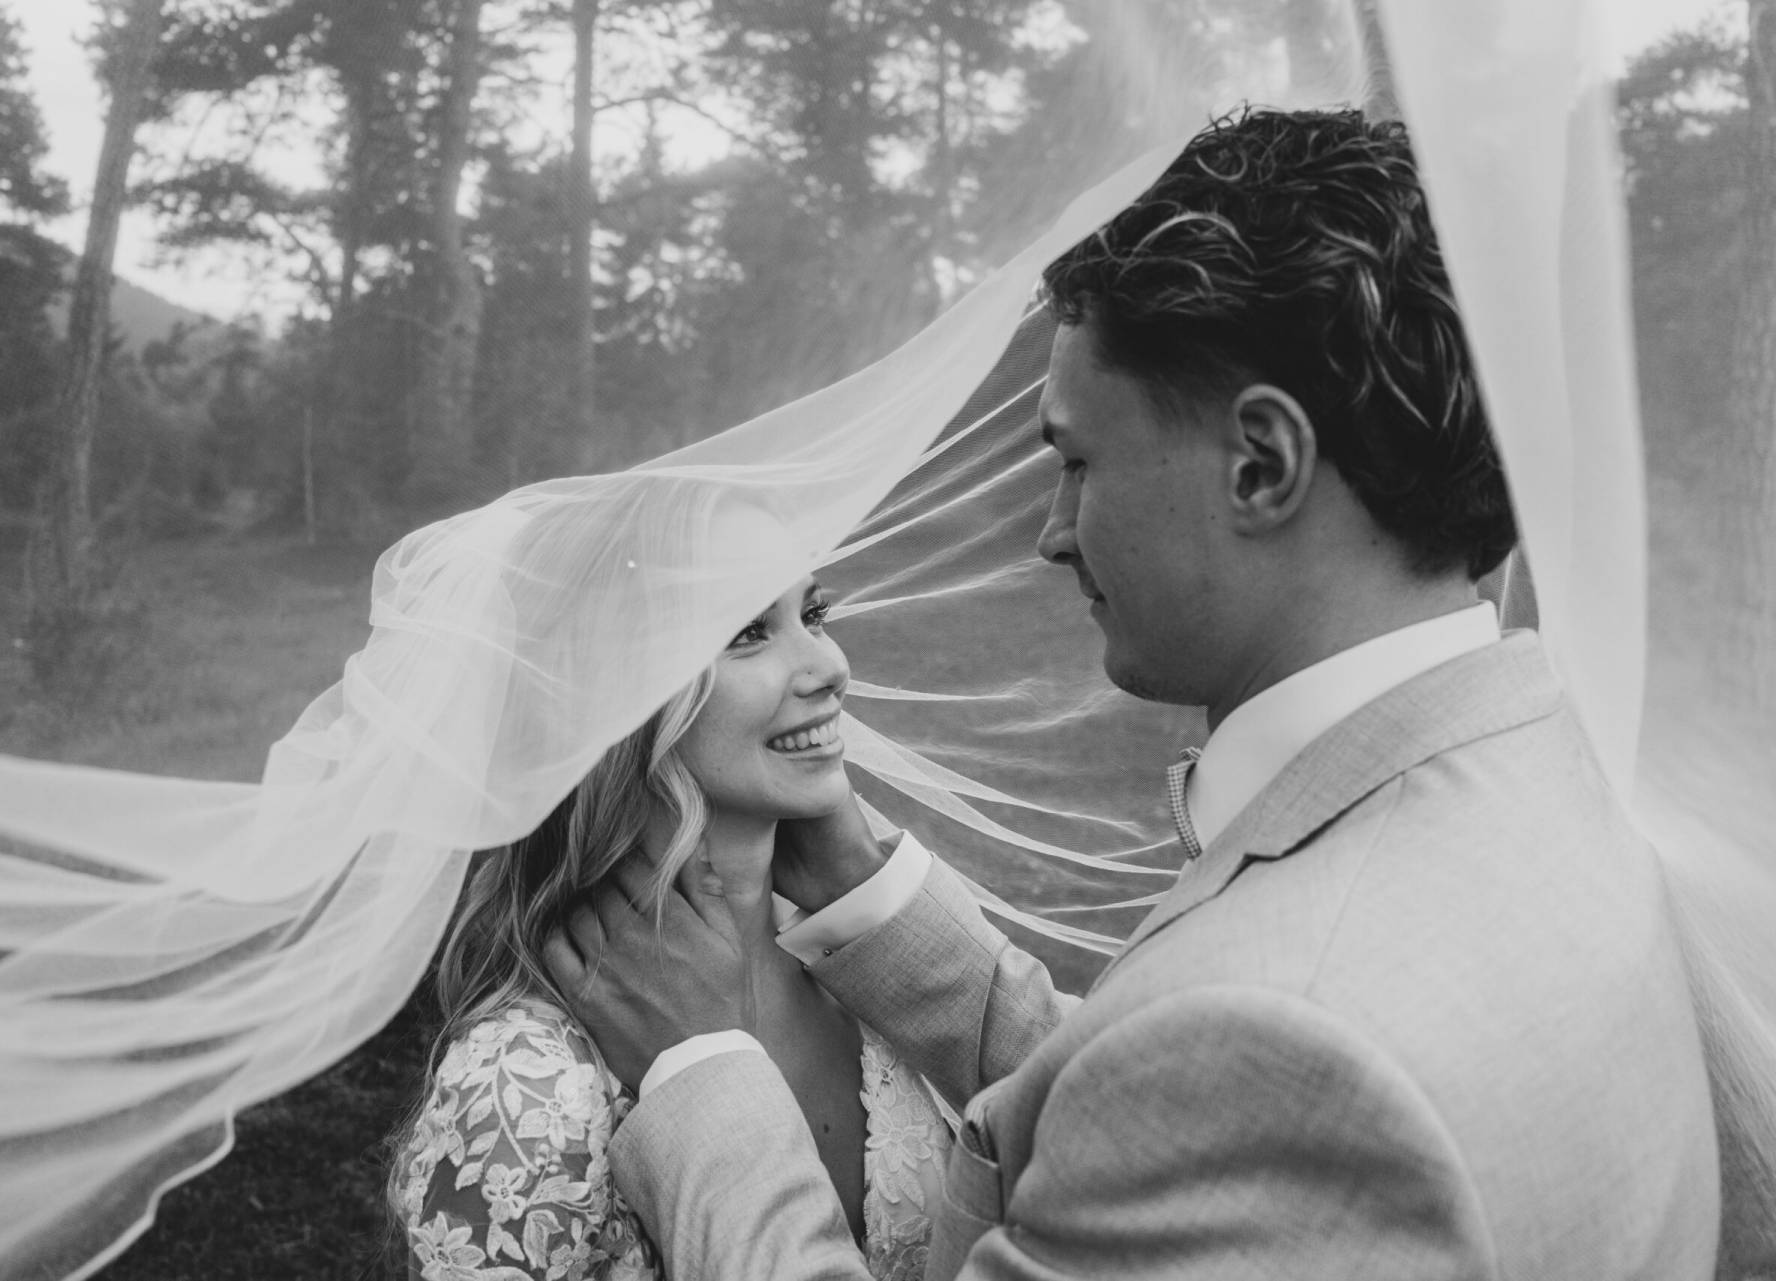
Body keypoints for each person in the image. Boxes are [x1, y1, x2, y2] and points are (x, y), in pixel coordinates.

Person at [544, 107, 1726, 1278]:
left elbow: (1232, 1082)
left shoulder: (1292, 1042)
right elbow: (1141, 1115)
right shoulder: (1550, 774)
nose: (1054, 535)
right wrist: (872, 898)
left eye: (1077, 461)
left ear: (1263, 464)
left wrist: (701, 1068)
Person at [387, 553, 956, 1281]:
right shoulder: (526, 1089)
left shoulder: (870, 964)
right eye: (749, 631)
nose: (830, 667)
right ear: (617, 701)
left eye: (814, 615)